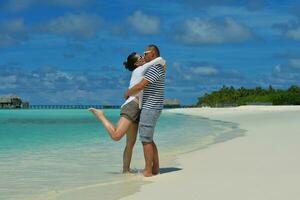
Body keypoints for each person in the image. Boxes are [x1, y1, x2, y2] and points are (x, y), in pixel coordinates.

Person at [88, 52, 166, 173]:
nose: (144, 58)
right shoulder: (140, 69)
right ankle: (101, 115)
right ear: (137, 63)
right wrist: (153, 56)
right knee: (116, 136)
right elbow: (160, 60)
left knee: (130, 143)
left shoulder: (142, 70)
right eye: (141, 57)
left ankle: (125, 171)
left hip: (138, 107)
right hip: (131, 106)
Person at [124, 44, 166, 177]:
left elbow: (141, 85)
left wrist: (127, 93)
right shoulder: (156, 66)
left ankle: (148, 170)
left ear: (152, 54)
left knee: (146, 139)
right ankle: (156, 168)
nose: (144, 55)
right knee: (149, 138)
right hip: (150, 106)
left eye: (145, 53)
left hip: (151, 106)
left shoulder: (155, 67)